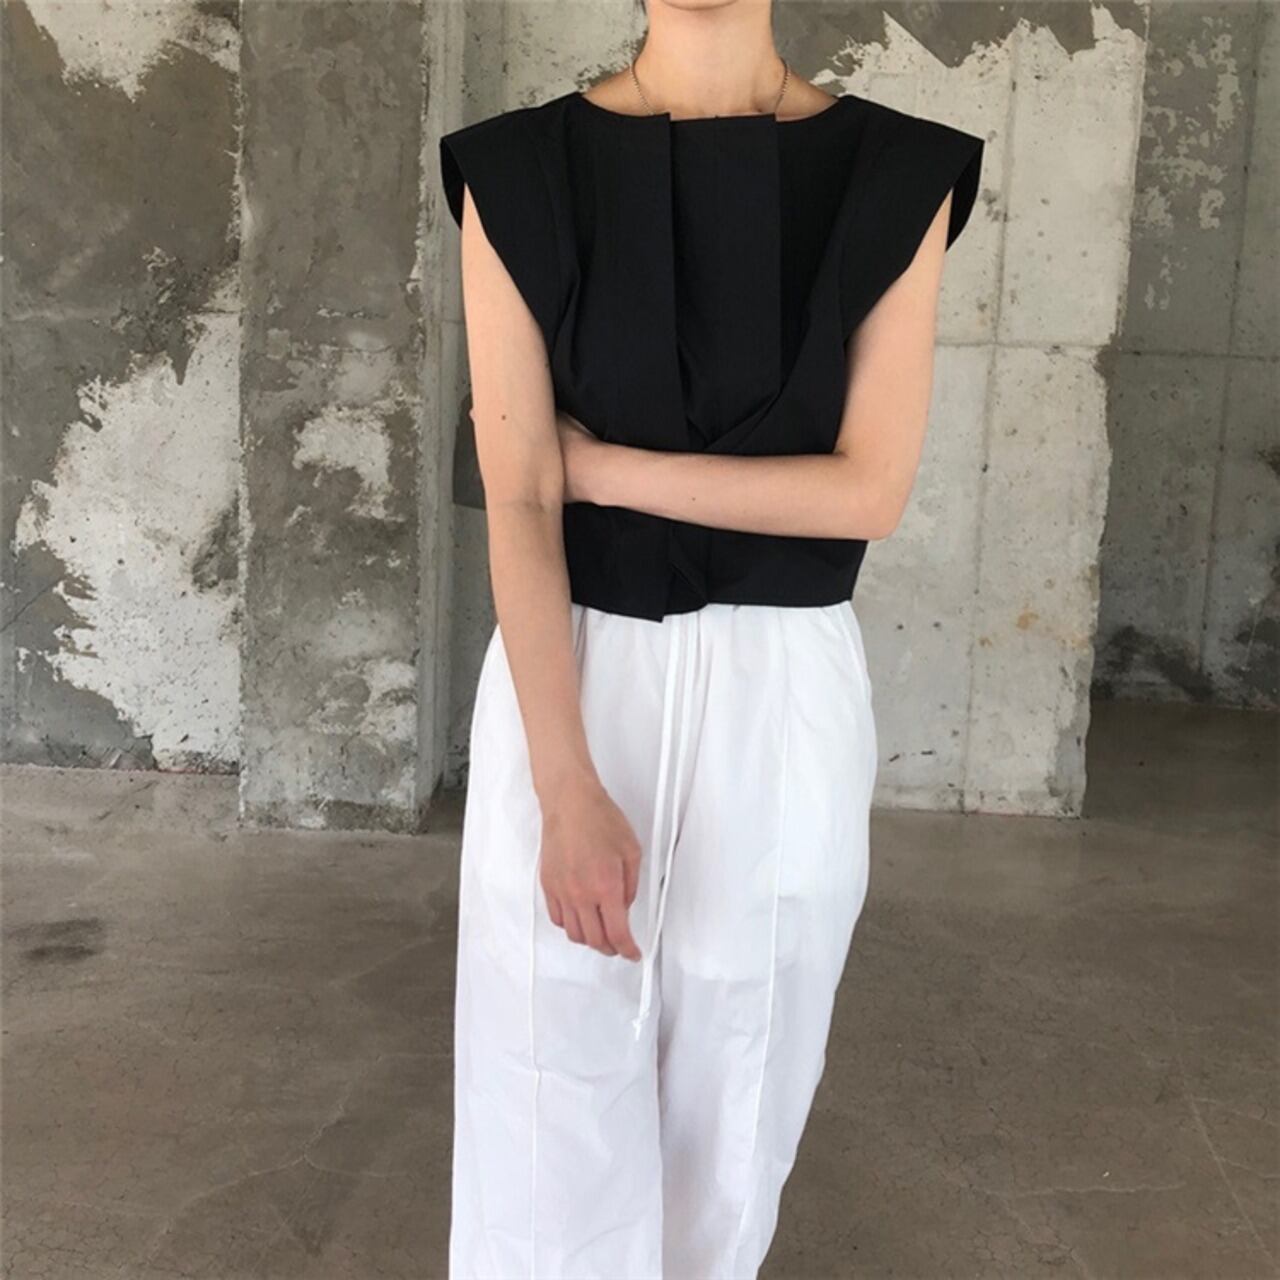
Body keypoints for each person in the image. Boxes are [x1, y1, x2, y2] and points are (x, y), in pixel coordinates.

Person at [438, 5, 983, 1275]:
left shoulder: (895, 172)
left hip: (779, 688)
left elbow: (865, 493)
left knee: (740, 1090)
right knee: (543, 1084)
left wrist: (602, 468)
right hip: (572, 673)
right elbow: (518, 497)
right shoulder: (514, 171)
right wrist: (564, 784)